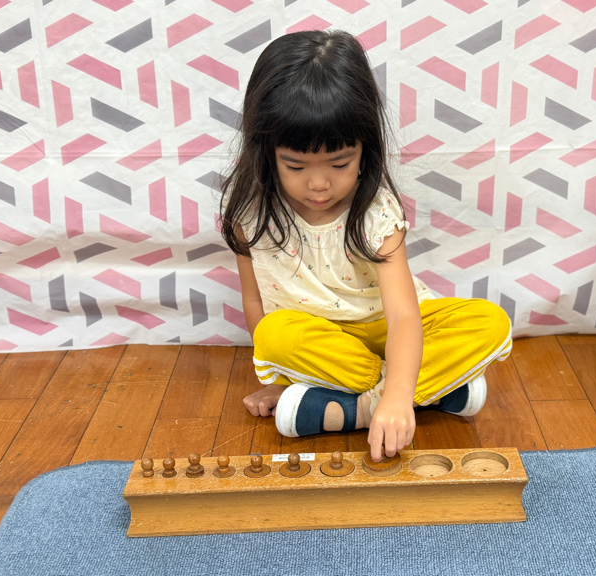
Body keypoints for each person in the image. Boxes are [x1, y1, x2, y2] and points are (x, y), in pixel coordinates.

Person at [218, 30, 512, 462]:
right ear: (266, 151)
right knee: (274, 335)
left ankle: (357, 408)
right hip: (325, 343)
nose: (319, 184)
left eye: (340, 164)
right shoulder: (251, 212)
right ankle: (432, 392)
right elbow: (254, 299)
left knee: (490, 322)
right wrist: (280, 380)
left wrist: (395, 398)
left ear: (364, 149)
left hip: (390, 327)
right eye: (295, 166)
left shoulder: (376, 211)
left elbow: (404, 315)